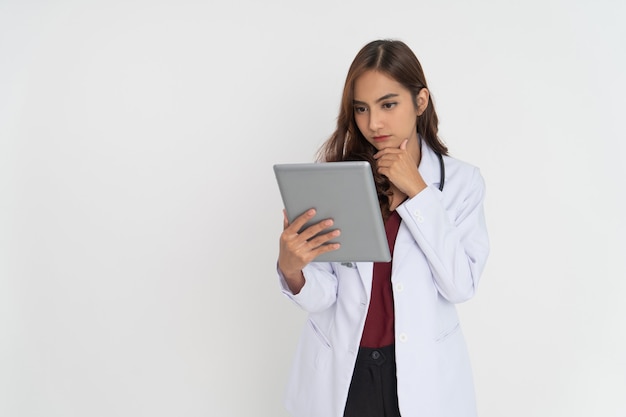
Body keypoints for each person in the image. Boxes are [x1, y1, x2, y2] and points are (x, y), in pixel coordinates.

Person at [277, 39, 489, 417]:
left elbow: (460, 284)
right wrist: (293, 270)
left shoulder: (461, 183)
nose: (373, 123)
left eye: (388, 104)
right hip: (345, 373)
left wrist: (418, 193)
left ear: (420, 101)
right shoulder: (335, 181)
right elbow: (324, 296)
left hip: (421, 376)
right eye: (362, 109)